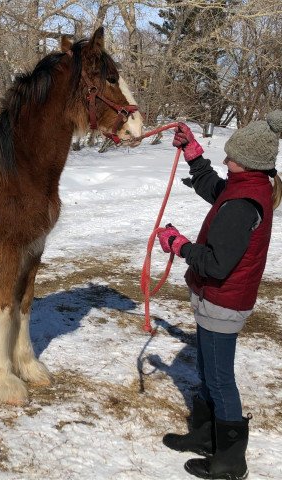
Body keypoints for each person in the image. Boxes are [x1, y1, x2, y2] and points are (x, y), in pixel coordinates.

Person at [157, 111, 282, 480]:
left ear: (249, 162)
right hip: (219, 300)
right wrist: (193, 155)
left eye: (231, 157)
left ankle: (229, 460)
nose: (225, 161)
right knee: (208, 370)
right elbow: (214, 187)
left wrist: (179, 245)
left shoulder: (244, 203)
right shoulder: (247, 185)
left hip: (223, 301)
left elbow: (215, 264)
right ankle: (205, 435)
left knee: (220, 378)